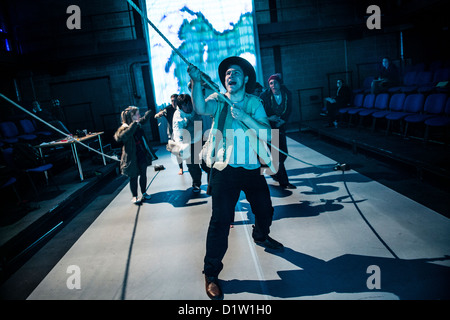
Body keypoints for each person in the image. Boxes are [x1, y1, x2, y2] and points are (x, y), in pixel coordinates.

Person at [188, 56, 283, 300]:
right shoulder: (218, 100)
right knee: (220, 221)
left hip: (251, 168)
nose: (231, 76)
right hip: (224, 168)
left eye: (237, 73)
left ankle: (260, 234)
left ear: (246, 78)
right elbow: (199, 108)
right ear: (225, 80)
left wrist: (244, 117)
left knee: (265, 209)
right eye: (228, 73)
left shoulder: (254, 102)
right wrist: (195, 81)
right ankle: (211, 274)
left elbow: (266, 132)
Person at [260, 73, 296, 189]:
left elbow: (289, 109)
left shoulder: (287, 94)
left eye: (275, 82)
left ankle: (275, 173)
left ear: (279, 83)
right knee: (278, 156)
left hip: (281, 126)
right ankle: (284, 182)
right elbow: (258, 112)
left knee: (284, 153)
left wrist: (284, 120)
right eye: (271, 83)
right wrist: (269, 118)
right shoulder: (264, 96)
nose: (273, 85)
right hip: (269, 128)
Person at [114, 106, 153, 204]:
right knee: (133, 176)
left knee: (143, 175)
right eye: (137, 114)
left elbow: (142, 120)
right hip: (131, 157)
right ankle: (134, 196)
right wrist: (134, 124)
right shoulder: (124, 128)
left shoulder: (137, 124)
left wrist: (147, 114)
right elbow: (120, 137)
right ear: (131, 116)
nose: (139, 115)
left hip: (141, 153)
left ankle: (144, 192)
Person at [172, 93, 202, 192]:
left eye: (189, 104)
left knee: (207, 162)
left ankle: (213, 183)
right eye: (185, 105)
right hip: (186, 142)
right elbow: (177, 134)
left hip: (199, 138)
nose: (188, 107)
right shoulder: (178, 117)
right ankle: (196, 183)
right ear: (180, 107)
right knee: (193, 166)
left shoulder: (195, 108)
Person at [155, 94, 184, 175]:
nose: (173, 102)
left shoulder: (182, 107)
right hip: (173, 132)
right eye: (172, 101)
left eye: (175, 101)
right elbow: (159, 114)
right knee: (177, 150)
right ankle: (181, 167)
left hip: (183, 130)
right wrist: (159, 115)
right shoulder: (168, 109)